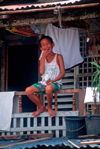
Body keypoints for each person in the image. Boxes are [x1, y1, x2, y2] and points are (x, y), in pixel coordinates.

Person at [25, 35, 65, 118]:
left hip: (56, 83)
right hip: (44, 83)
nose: (46, 46)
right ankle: (41, 107)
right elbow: (41, 72)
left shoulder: (58, 57)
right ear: (41, 48)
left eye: (48, 43)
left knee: (48, 88)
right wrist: (43, 57)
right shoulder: (42, 59)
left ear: (53, 44)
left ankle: (49, 107)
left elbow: (62, 73)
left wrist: (53, 81)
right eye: (43, 45)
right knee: (28, 90)